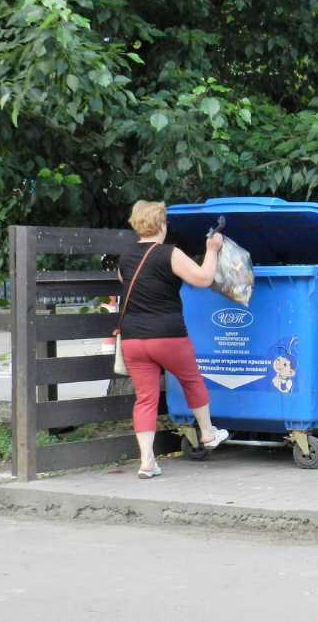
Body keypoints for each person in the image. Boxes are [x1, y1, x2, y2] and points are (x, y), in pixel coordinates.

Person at [118, 200, 229, 479]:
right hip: (167, 335)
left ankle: (146, 461)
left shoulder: (126, 255)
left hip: (132, 338)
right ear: (160, 225)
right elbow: (203, 278)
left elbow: (124, 279)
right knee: (191, 380)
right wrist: (211, 250)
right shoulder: (169, 253)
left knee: (145, 399)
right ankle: (207, 433)